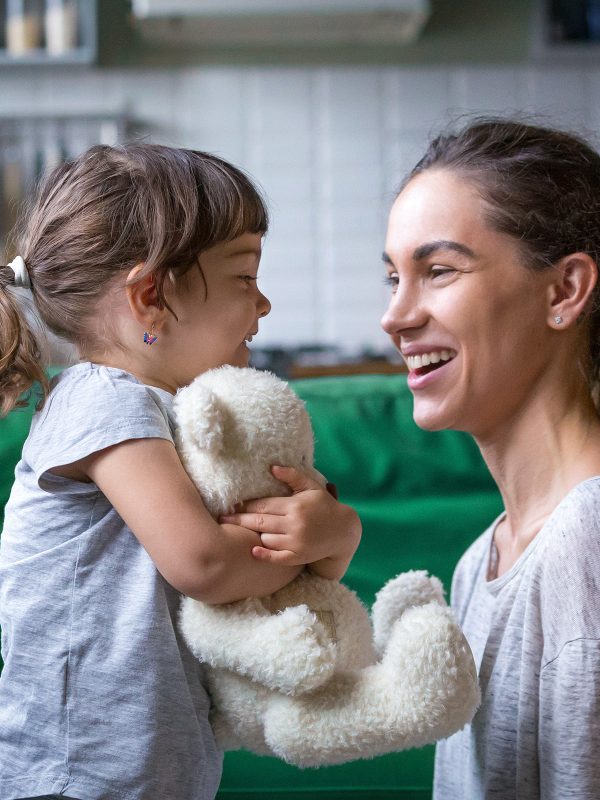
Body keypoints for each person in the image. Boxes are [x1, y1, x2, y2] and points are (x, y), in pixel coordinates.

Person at [0, 144, 361, 800]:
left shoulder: (171, 415)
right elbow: (208, 565)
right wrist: (329, 540)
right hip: (72, 774)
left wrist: (319, 533)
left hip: (153, 771)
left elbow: (253, 571)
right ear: (150, 297)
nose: (265, 304)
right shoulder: (103, 399)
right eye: (245, 278)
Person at [380, 118, 600, 800]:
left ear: (563, 292)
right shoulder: (487, 557)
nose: (395, 316)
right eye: (393, 278)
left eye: (438, 271)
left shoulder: (586, 549)